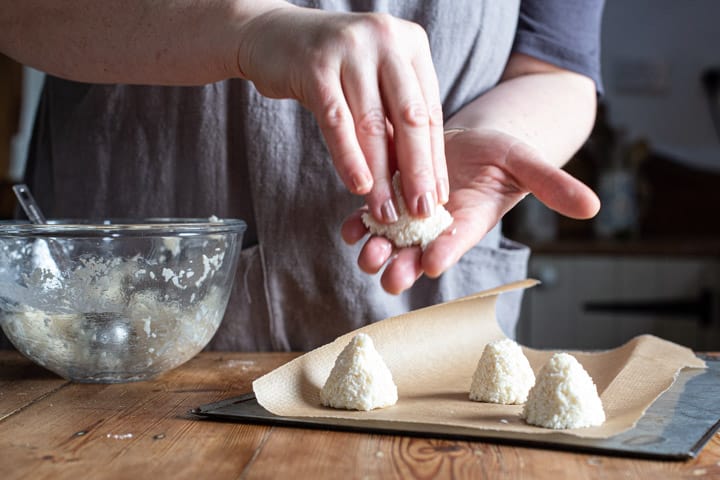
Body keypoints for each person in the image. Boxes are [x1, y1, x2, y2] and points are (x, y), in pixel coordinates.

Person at [0, 1, 604, 351]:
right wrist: (244, 29)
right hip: (124, 314)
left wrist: (481, 140)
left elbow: (555, 66)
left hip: (427, 320)